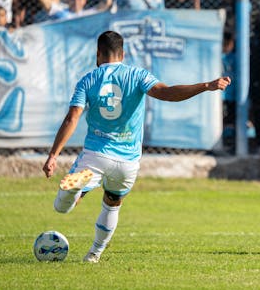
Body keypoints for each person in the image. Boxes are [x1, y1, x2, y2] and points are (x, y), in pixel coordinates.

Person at [42, 30, 231, 263]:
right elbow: (167, 93)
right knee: (112, 203)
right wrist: (206, 85)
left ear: (98, 54)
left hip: (96, 155)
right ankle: (94, 254)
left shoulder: (89, 79)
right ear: (123, 54)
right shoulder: (137, 75)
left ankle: (73, 191)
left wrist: (53, 155)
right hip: (127, 161)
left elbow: (72, 117)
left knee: (62, 207)